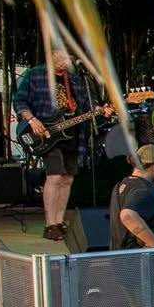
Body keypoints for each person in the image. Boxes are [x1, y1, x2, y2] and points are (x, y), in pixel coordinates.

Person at [12, 49, 105, 241]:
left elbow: (87, 106)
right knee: (54, 177)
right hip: (46, 133)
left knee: (67, 179)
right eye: (62, 58)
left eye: (67, 58)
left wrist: (100, 110)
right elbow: (19, 100)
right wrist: (32, 120)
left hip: (72, 135)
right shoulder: (35, 75)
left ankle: (60, 221)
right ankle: (50, 224)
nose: (66, 61)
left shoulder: (76, 80)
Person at [107, 145, 154, 249]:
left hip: (120, 256)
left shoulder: (123, 184)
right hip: (138, 259)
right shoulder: (143, 190)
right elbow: (127, 216)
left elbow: (144, 204)